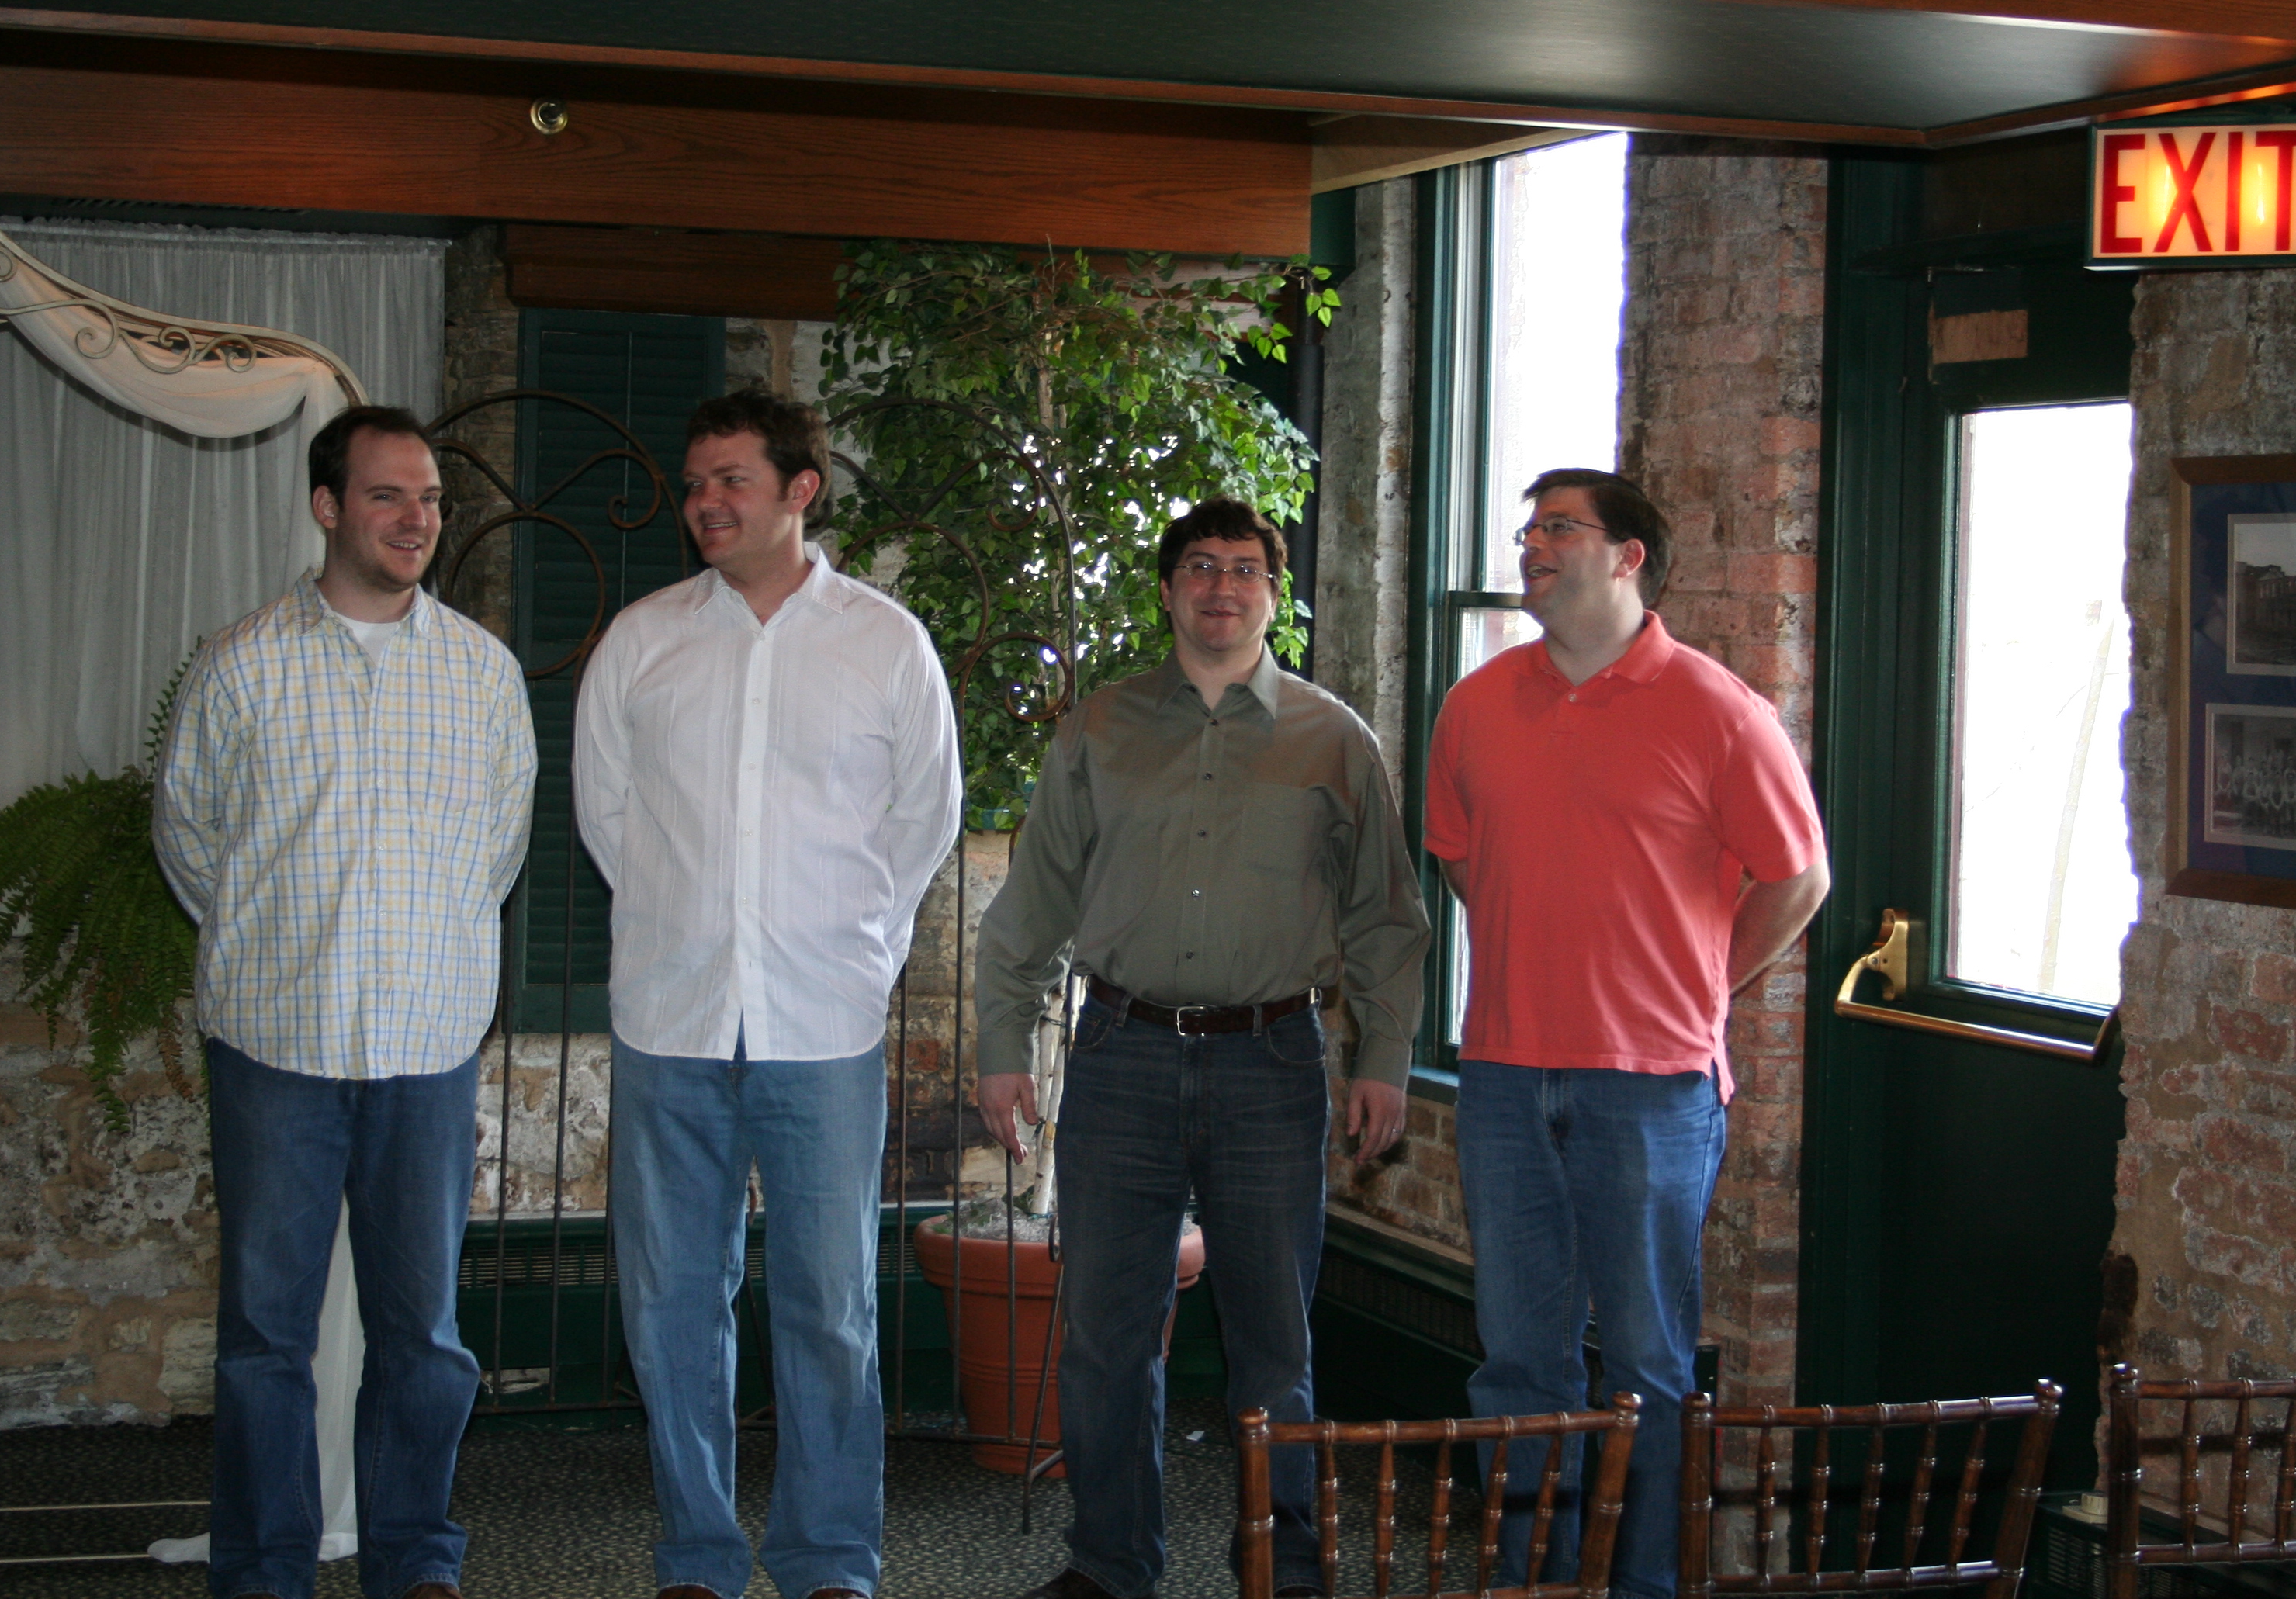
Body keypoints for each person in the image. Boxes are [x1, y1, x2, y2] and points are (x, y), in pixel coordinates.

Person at [976, 498, 1431, 1599]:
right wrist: (1001, 1044)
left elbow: (1385, 918)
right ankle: (1110, 1564)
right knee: (1106, 1338)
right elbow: (1033, 904)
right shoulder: (1100, 727)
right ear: (1169, 590)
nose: (1221, 586)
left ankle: (1283, 1566)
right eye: (1198, 567)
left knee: (1275, 1343)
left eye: (1244, 568)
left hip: (1271, 1064)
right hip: (1120, 1055)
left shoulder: (1335, 739)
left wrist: (1382, 1057)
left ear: (1274, 593)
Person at [573, 389, 961, 1599]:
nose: (705, 503)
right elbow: (607, 818)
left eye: (730, 479)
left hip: (822, 1027)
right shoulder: (641, 641)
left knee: (831, 1309)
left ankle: (829, 1557)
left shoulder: (886, 644)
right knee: (672, 1307)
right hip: (671, 1021)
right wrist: (682, 929)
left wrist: (857, 953)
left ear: (801, 490)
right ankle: (696, 1554)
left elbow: (925, 820)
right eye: (695, 484)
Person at [1425, 468, 1829, 1599]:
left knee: (1647, 1366)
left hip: (1653, 1088)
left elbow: (1799, 878)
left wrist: (1703, 986)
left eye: (1561, 527)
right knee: (1519, 1364)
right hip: (1503, 1077)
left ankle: (1644, 1584)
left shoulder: (1717, 709)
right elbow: (1460, 858)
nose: (1533, 545)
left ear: (1629, 556)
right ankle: (1530, 1580)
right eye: (1528, 529)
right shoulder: (1475, 705)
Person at [154, 405, 536, 1599]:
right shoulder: (241, 666)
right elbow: (190, 841)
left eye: (429, 498)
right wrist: (282, 944)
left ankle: (413, 1560)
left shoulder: (482, 675)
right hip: (277, 1045)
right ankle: (265, 1571)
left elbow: (498, 850)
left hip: (427, 1051)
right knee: (266, 1339)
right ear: (328, 508)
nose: (417, 519)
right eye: (387, 495)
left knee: (423, 1338)